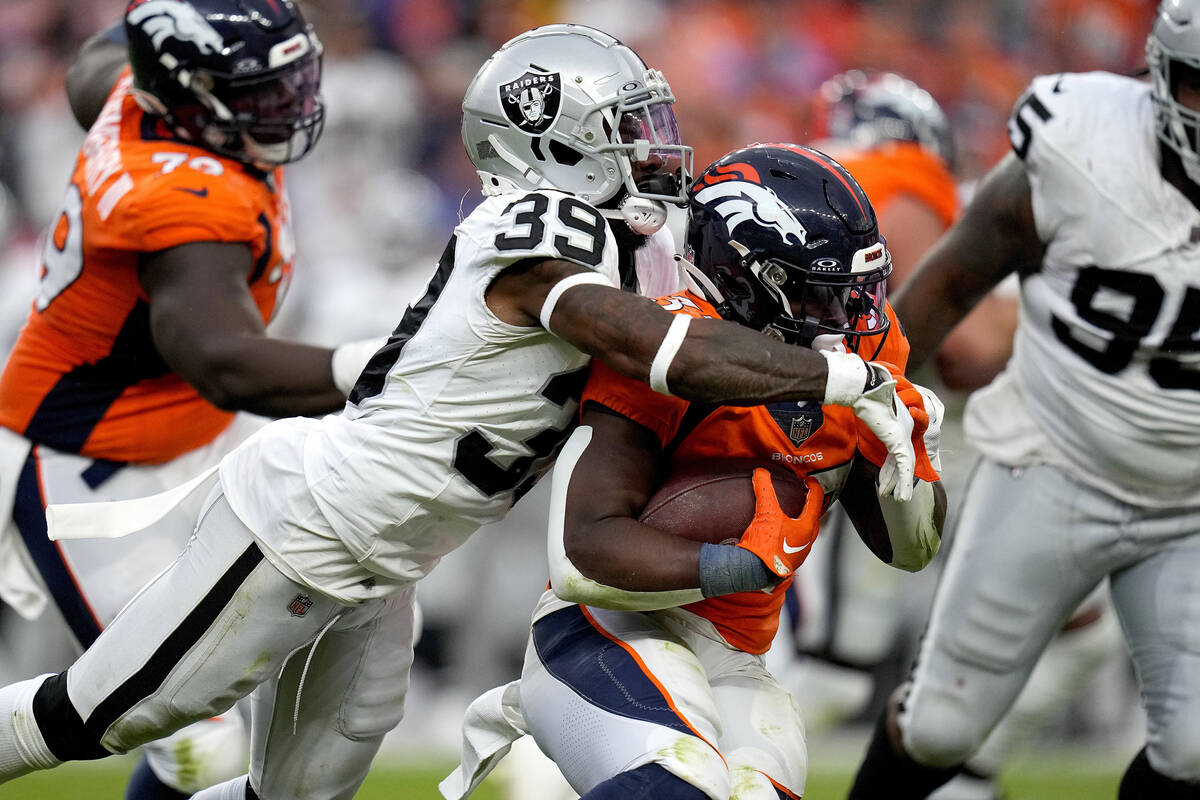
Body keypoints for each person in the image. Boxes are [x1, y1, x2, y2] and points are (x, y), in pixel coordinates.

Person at [0, 25, 919, 800]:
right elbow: (662, 347)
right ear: (551, 143)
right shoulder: (534, 229)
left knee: (298, 790)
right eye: (628, 126)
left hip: (394, 554)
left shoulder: (625, 237)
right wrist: (843, 380)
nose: (654, 143)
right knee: (99, 716)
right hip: (309, 522)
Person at [440, 143, 945, 800]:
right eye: (824, 295)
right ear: (753, 282)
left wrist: (907, 463)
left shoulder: (868, 344)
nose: (852, 319)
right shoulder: (668, 346)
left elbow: (912, 552)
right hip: (603, 629)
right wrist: (742, 560)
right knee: (681, 785)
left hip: (739, 659)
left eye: (858, 292)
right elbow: (583, 557)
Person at [0, 2, 383, 798]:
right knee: (190, 736)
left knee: (224, 693)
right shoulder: (180, 206)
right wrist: (390, 369)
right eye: (260, 91)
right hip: (85, 469)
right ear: (188, 92)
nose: (288, 105)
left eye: (289, 82)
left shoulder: (135, 91)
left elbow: (99, 61)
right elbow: (225, 362)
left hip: (186, 441)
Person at [847, 3, 1200, 797]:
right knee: (941, 725)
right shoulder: (1082, 147)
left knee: (1195, 750)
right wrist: (855, 413)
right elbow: (947, 284)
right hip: (1053, 464)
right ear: (1159, 77)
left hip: (1192, 501)